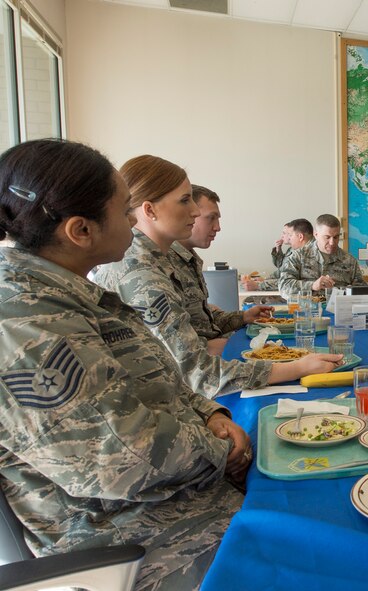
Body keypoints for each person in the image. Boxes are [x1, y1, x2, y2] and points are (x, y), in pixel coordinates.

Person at [0, 139, 247, 590]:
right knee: (317, 553)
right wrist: (222, 450)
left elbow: (163, 379)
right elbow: (123, 459)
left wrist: (211, 413)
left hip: (173, 492)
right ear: (80, 230)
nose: (134, 221)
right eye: (123, 211)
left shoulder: (68, 293)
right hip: (129, 531)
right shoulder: (25, 321)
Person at [95, 155, 342, 398]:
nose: (194, 211)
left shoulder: (157, 258)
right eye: (185, 201)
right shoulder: (140, 271)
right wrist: (297, 367)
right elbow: (198, 373)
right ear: (149, 210)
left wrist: (240, 319)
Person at [170, 184, 270, 342]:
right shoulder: (164, 263)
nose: (217, 227)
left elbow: (203, 321)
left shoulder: (189, 260)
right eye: (211, 218)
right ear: (189, 214)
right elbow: (173, 341)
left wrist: (244, 316)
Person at [278, 213, 365, 296]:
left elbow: (361, 292)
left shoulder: (349, 261)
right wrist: (312, 285)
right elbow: (284, 287)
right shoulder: (298, 256)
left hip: (338, 310)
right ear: (316, 234)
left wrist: (346, 292)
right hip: (307, 309)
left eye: (336, 237)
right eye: (327, 237)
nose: (332, 242)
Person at [245, 218, 314, 291]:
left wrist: (259, 285)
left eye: (290, 235)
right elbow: (282, 271)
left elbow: (288, 282)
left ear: (300, 237)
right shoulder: (299, 251)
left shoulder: (309, 253)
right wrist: (265, 280)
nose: (289, 238)